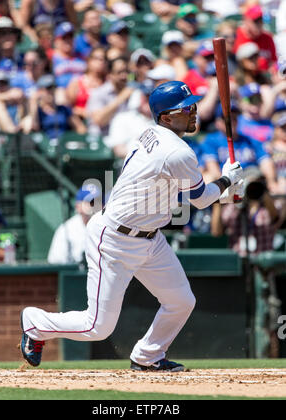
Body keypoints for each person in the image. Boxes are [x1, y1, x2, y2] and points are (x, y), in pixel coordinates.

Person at [20, 80, 244, 370]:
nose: (194, 112)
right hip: (114, 239)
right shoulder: (177, 151)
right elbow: (200, 199)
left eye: (193, 106)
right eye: (186, 108)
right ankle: (35, 323)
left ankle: (148, 356)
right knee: (96, 327)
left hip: (151, 239)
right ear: (166, 117)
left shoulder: (152, 132)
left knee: (181, 301)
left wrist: (226, 187)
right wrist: (227, 179)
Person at [202, 102, 279, 193]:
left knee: (255, 179)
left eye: (234, 118)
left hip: (250, 180)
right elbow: (213, 169)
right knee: (209, 178)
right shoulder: (211, 140)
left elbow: (265, 161)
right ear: (217, 122)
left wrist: (271, 182)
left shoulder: (250, 140)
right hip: (226, 181)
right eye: (226, 119)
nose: (231, 122)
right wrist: (226, 188)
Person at [48, 184, 101, 264]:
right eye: (90, 202)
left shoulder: (106, 227)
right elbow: (55, 262)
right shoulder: (66, 229)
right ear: (78, 206)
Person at [22, 74, 86, 139]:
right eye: (48, 88)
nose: (51, 91)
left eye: (53, 88)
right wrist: (34, 103)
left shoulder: (64, 109)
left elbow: (80, 128)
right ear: (40, 91)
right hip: (45, 145)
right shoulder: (38, 111)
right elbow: (35, 126)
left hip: (63, 144)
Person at [86, 56, 135, 138]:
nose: (124, 76)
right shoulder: (98, 93)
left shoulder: (133, 91)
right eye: (119, 72)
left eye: (126, 72)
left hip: (126, 138)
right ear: (110, 75)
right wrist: (121, 98)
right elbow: (98, 120)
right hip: (103, 139)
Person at [104, 80, 155, 158]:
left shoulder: (162, 121)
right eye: (146, 96)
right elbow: (119, 150)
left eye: (152, 97)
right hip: (129, 165)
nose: (149, 100)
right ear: (138, 97)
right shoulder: (122, 118)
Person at [66, 47, 107, 120]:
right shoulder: (77, 82)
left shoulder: (108, 83)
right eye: (96, 58)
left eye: (103, 59)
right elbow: (68, 108)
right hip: (82, 121)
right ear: (88, 60)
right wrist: (86, 113)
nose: (101, 62)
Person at [234, 4, 277, 71]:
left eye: (260, 20)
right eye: (255, 21)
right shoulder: (236, 36)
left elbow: (273, 62)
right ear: (246, 20)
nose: (259, 24)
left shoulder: (267, 38)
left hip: (265, 77)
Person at [51, 22, 87, 104]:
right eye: (64, 37)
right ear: (57, 40)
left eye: (70, 37)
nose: (68, 40)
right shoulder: (51, 58)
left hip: (83, 93)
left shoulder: (82, 56)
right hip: (62, 94)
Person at [0, 70, 24, 137]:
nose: (1, 87)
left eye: (4, 83)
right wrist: (7, 96)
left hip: (18, 138)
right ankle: (12, 133)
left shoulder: (14, 102)